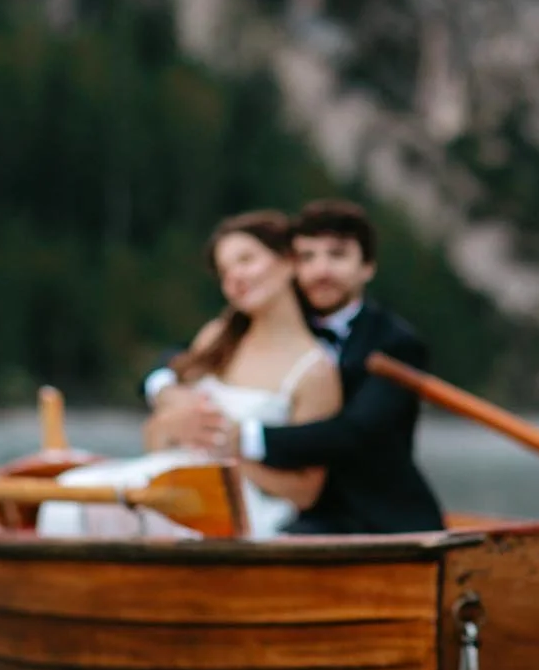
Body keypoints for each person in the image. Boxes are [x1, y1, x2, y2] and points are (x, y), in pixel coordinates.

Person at [149, 199, 444, 536]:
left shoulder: (395, 343)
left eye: (337, 255)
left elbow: (354, 434)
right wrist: (163, 388)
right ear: (291, 263)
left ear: (368, 267)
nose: (321, 271)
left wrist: (242, 437)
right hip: (294, 508)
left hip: (371, 514)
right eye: (307, 257)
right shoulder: (280, 316)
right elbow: (182, 354)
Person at [45, 211, 341, 541]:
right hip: (173, 480)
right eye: (225, 272)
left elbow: (305, 493)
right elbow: (156, 440)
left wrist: (230, 460)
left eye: (246, 260)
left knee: (80, 502)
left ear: (288, 261)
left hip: (242, 508)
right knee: (65, 493)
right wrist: (173, 420)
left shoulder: (315, 370)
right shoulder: (216, 337)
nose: (235, 277)